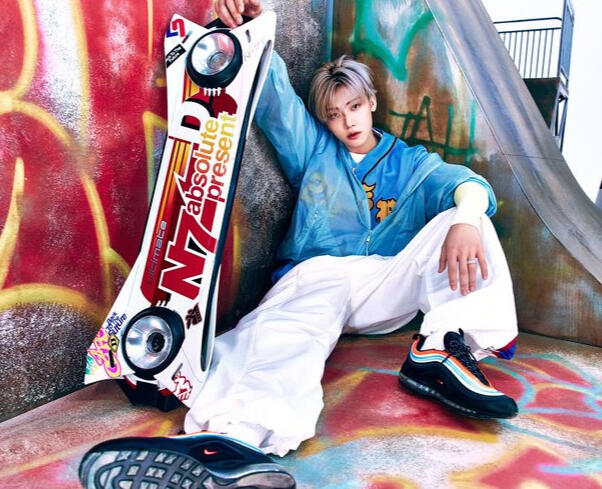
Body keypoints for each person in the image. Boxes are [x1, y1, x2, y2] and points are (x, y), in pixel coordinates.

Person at [79, 0, 518, 487]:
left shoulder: (411, 162)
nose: (348, 122)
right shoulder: (314, 150)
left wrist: (467, 216)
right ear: (324, 121)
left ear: (371, 102)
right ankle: (231, 445)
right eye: (334, 115)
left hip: (384, 281)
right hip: (317, 275)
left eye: (354, 107)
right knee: (282, 338)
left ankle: (444, 351)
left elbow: (464, 182)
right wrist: (250, 24)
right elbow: (276, 99)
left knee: (468, 217)